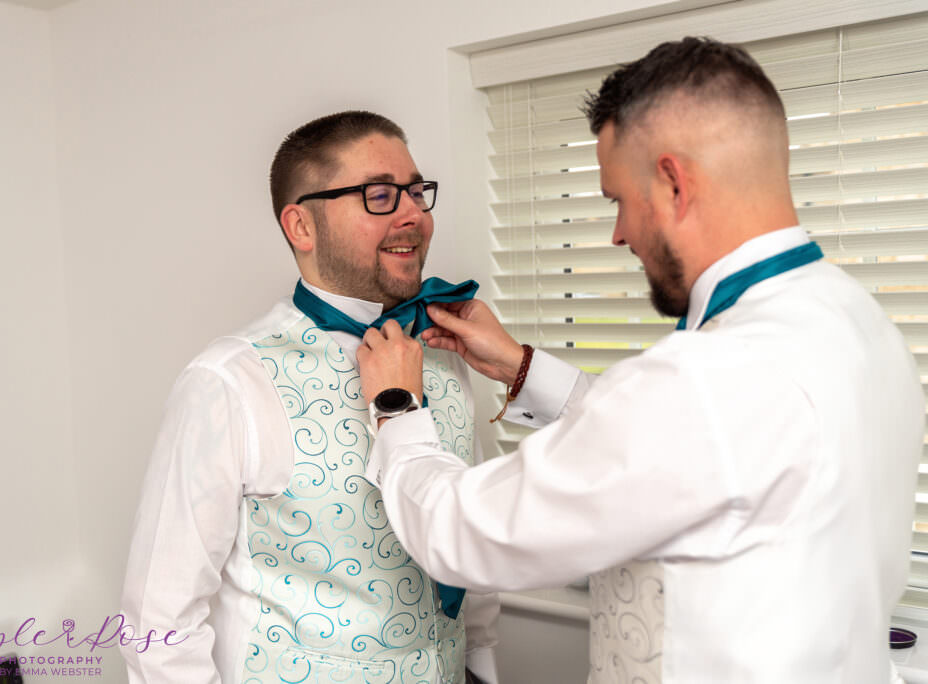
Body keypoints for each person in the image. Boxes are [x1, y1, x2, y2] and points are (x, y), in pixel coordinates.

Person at [356, 38, 925, 683]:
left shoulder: (705, 380)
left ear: (674, 183)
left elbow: (466, 532)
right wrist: (521, 367)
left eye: (618, 200)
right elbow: (703, 452)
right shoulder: (857, 321)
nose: (618, 234)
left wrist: (397, 407)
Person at [119, 111, 499, 684]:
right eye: (379, 195)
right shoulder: (228, 381)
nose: (414, 215)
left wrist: (482, 666)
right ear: (301, 226)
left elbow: (471, 537)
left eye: (417, 192)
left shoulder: (445, 352)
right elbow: (159, 624)